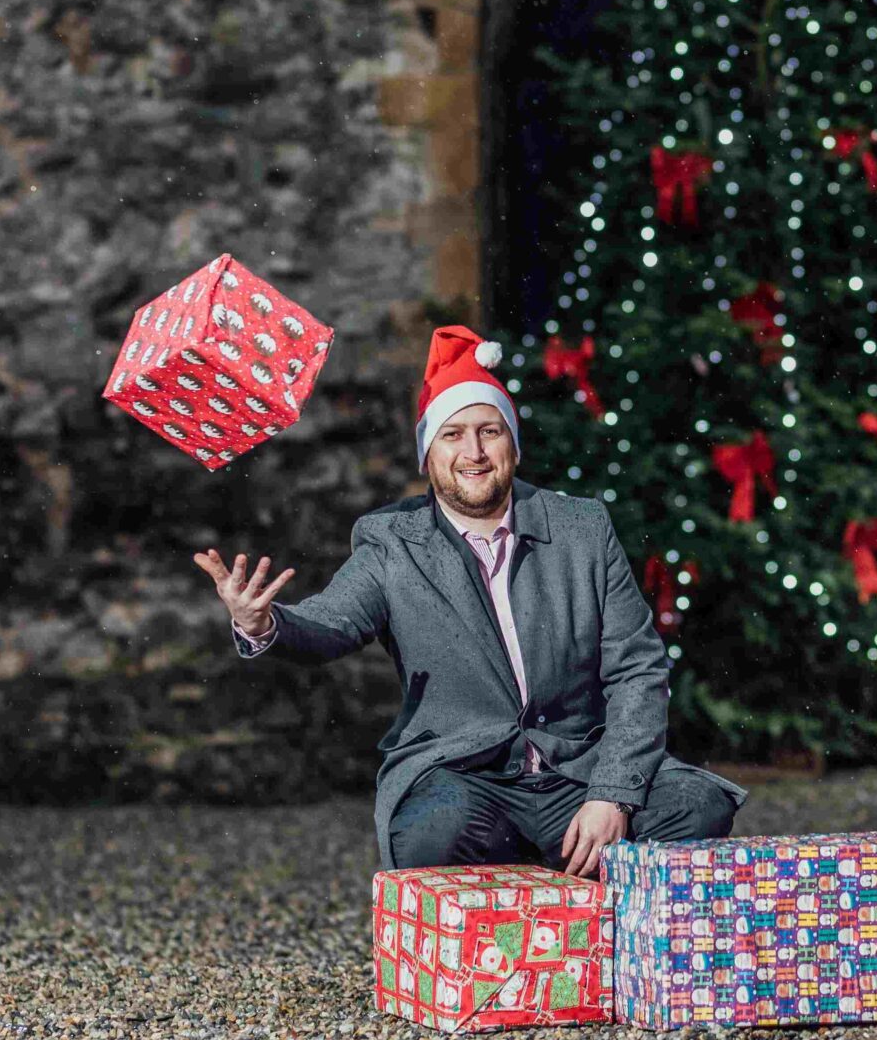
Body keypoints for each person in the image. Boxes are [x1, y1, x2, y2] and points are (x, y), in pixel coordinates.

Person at [195, 325, 743, 875]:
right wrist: (264, 624)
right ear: (427, 453)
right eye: (452, 435)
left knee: (697, 808)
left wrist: (613, 796)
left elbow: (638, 670)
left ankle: (572, 889)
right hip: (465, 776)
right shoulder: (392, 542)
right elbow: (332, 623)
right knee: (432, 836)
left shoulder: (580, 528)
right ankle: (546, 879)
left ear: (513, 444)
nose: (474, 452)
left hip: (577, 771)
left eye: (490, 431)